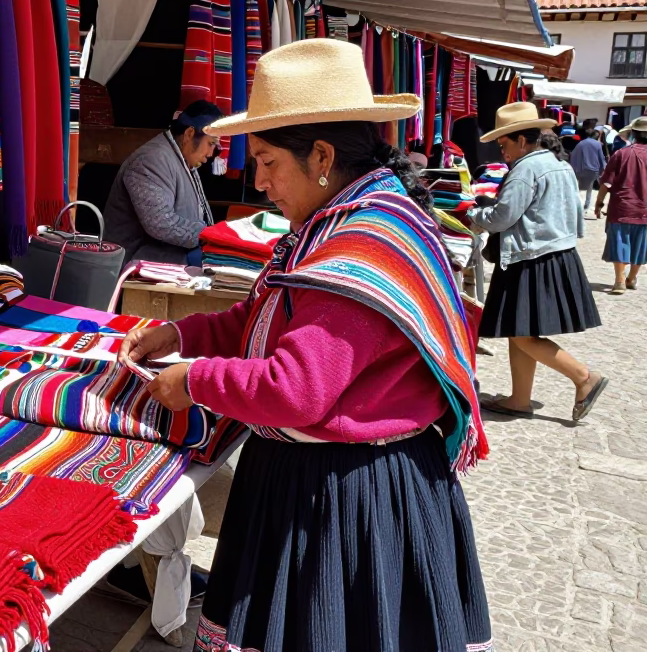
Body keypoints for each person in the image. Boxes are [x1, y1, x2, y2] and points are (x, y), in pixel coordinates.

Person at [120, 39, 492, 652]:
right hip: (328, 478)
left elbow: (294, 389)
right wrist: (179, 332)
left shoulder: (358, 245)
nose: (259, 181)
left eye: (267, 161)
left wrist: (191, 380)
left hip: (347, 497)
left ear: (321, 156)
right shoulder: (335, 223)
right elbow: (263, 318)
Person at [468, 102, 607, 421]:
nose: (502, 152)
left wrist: (475, 215)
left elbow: (503, 217)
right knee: (521, 330)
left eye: (504, 145)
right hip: (555, 255)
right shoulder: (558, 163)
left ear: (521, 139)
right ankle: (519, 399)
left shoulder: (526, 169)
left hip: (530, 258)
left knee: (521, 333)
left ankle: (584, 376)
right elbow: (573, 213)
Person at [104, 100, 222, 265]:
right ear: (189, 134)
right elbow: (161, 224)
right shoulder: (150, 160)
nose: (211, 153)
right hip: (136, 262)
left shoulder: (182, 159)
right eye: (210, 143)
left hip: (169, 255)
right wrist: (211, 236)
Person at [595, 116, 647, 293]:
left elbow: (606, 182)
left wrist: (599, 202)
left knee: (620, 242)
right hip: (645, 210)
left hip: (621, 207)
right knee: (641, 245)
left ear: (633, 134)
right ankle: (631, 278)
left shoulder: (621, 154)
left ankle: (619, 281)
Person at [570, 129, 607, 213]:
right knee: (589, 188)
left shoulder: (581, 143)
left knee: (578, 188)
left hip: (579, 169)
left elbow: (573, 155)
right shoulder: (597, 144)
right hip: (592, 170)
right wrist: (602, 169)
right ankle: (586, 206)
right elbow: (601, 158)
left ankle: (576, 205)